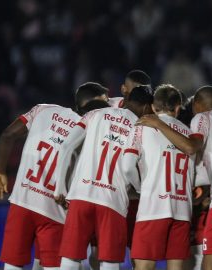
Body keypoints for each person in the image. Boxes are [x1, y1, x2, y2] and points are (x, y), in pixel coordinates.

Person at [136, 86, 212, 270]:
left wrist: (159, 124)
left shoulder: (202, 118)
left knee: (210, 263)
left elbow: (190, 147)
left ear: (197, 105)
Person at [0, 82, 109, 270]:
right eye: (105, 103)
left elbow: (7, 136)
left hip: (23, 201)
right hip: (55, 209)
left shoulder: (43, 110)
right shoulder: (93, 129)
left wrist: (0, 172)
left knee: (12, 266)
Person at [52, 86, 154, 270]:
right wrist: (141, 190)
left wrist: (60, 186)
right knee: (109, 260)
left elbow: (66, 145)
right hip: (112, 200)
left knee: (70, 257)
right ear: (147, 107)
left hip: (81, 195)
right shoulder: (140, 128)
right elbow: (129, 167)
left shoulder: (96, 113)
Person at [121, 84, 196, 270]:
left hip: (153, 207)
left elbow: (127, 166)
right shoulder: (189, 134)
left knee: (144, 266)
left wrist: (140, 188)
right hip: (182, 209)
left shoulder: (143, 126)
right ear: (178, 108)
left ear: (153, 107)